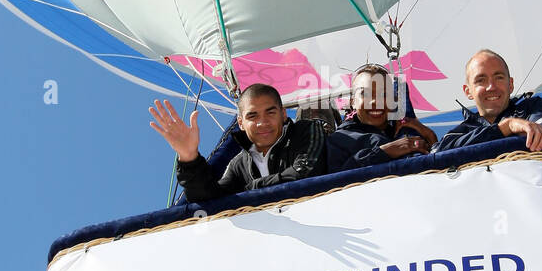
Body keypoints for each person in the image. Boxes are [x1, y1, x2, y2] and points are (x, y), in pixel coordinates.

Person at [150, 83, 326, 201]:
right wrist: (189, 158)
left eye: (270, 113)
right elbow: (209, 200)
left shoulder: (307, 130)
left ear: (283, 113)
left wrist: (250, 188)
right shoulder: (239, 163)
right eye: (252, 116)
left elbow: (306, 175)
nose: (262, 122)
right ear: (240, 123)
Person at [434, 50, 542, 157]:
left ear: (511, 84)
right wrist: (505, 128)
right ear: (468, 91)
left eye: (499, 77)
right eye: (481, 80)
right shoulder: (457, 133)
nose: (491, 87)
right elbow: (435, 158)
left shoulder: (534, 108)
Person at [327, 64, 437, 171]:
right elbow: (333, 180)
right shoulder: (339, 139)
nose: (375, 101)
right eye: (365, 94)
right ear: (353, 102)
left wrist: (429, 135)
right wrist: (385, 151)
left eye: (384, 94)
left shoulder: (406, 131)